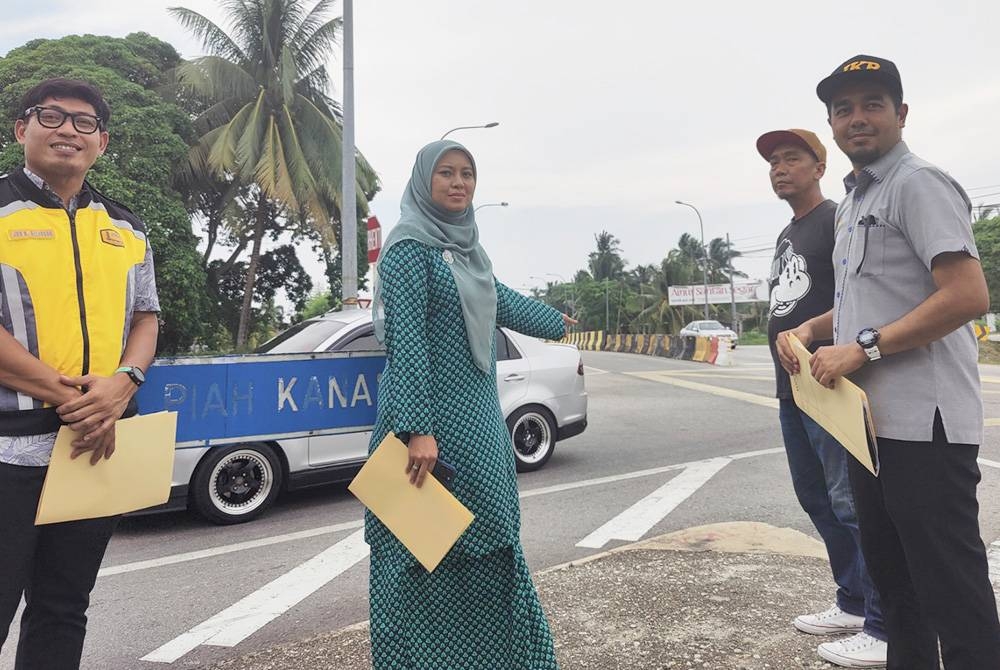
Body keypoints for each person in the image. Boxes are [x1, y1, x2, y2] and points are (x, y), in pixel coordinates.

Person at [777, 55, 1000, 669]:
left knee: (952, 593)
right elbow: (860, 298)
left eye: (872, 104)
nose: (857, 118)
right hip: (869, 429)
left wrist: (863, 347)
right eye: (843, 109)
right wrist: (811, 328)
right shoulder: (853, 202)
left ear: (901, 114)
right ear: (832, 123)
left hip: (924, 427)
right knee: (897, 595)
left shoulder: (918, 183)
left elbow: (965, 295)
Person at [367, 139, 573, 669]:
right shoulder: (408, 250)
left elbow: (502, 299)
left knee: (491, 539)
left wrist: (559, 322)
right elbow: (407, 341)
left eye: (467, 174)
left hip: (479, 422)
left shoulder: (468, 253)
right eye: (446, 173)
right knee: (420, 547)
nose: (459, 183)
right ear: (423, 182)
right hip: (426, 423)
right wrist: (417, 428)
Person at [0, 79, 159, 669]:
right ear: (22, 129)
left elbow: (146, 318)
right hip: (9, 453)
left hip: (92, 449)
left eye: (84, 123)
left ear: (102, 142)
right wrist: (76, 398)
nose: (68, 130)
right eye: (51, 116)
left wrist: (124, 383)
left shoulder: (126, 227)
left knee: (64, 607)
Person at [757, 127, 887, 667]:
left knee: (852, 503)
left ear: (818, 165)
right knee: (816, 498)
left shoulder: (837, 217)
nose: (780, 168)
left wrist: (811, 331)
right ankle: (853, 603)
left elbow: (858, 293)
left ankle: (884, 624)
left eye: (792, 159)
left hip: (830, 383)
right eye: (773, 163)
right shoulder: (791, 231)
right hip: (794, 390)